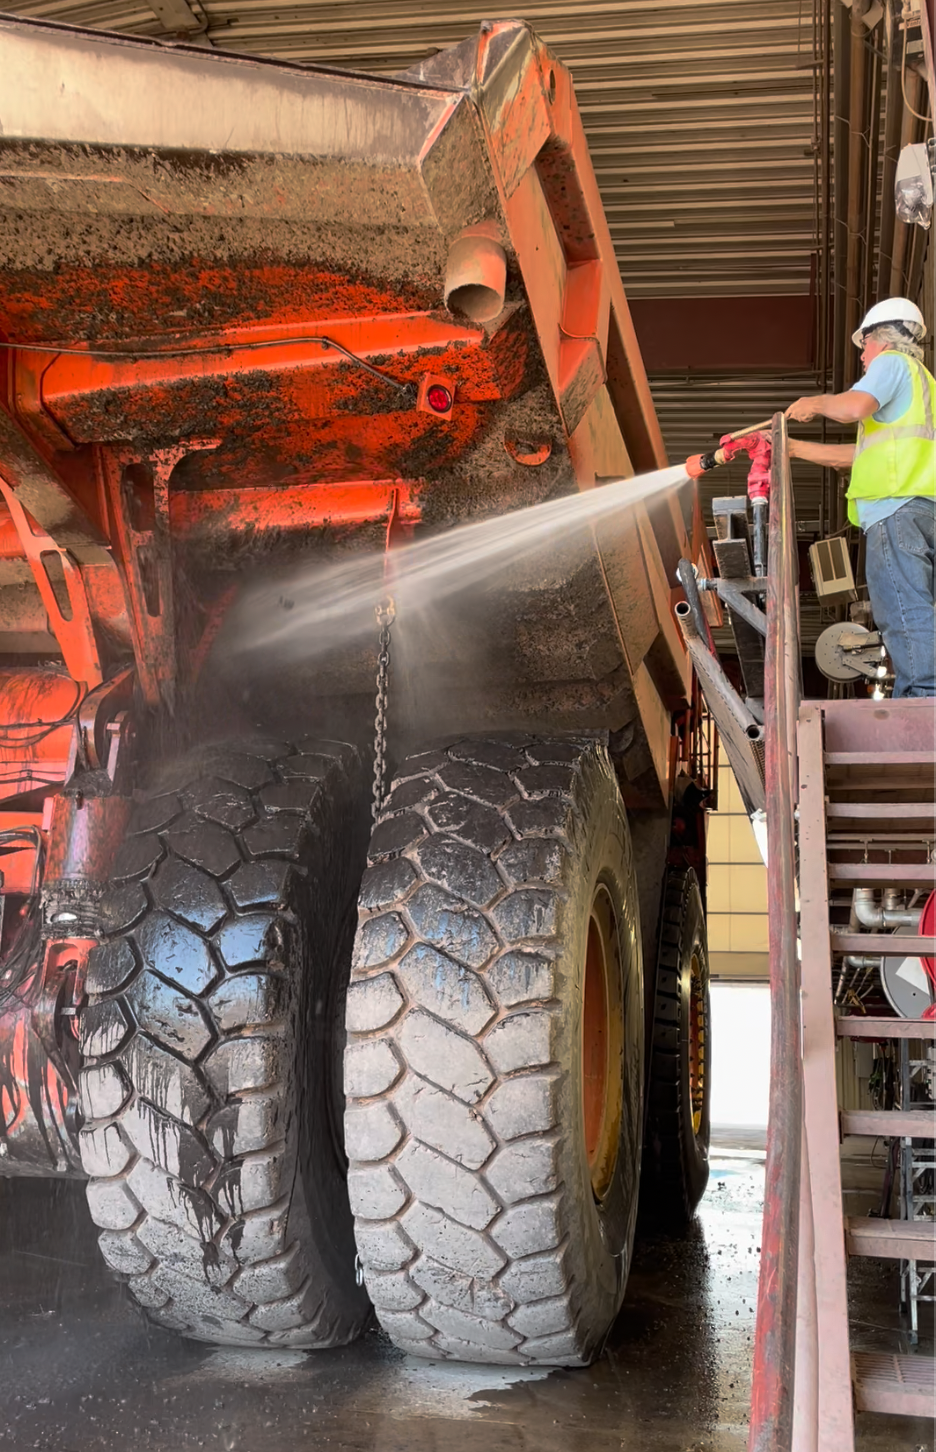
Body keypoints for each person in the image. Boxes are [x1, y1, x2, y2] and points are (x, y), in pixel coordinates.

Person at [785, 298, 935, 698]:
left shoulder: (892, 364)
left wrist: (813, 403)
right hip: (923, 507)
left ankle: (924, 698)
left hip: (895, 507)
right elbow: (857, 456)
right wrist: (793, 449)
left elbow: (853, 406)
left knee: (902, 606)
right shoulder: (924, 386)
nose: (863, 359)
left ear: (881, 340)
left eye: (863, 346)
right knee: (920, 603)